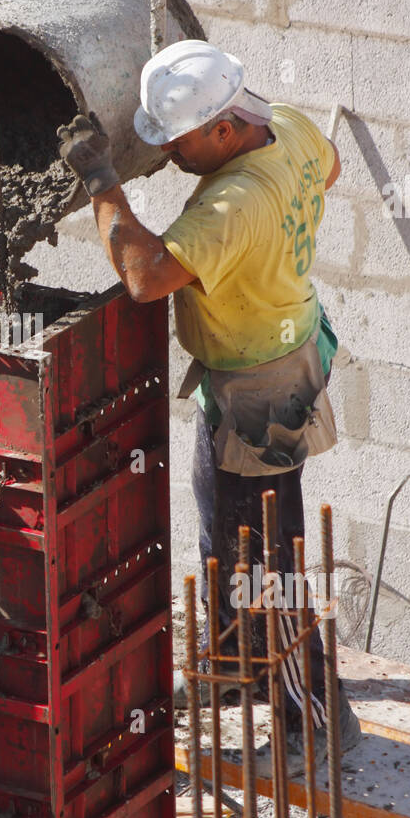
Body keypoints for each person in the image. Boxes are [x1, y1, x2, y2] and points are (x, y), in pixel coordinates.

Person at [56, 39, 361, 775]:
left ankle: (315, 715)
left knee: (268, 565)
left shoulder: (232, 206)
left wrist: (101, 180)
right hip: (272, 356)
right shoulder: (285, 124)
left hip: (261, 388)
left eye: (179, 141)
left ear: (224, 128)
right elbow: (332, 166)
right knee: (223, 535)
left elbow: (146, 274)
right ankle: (231, 668)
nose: (168, 155)